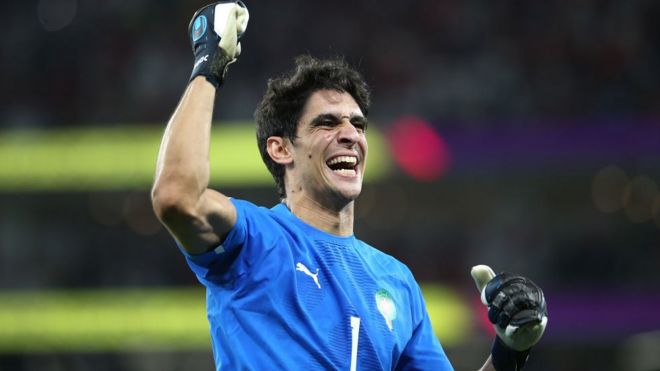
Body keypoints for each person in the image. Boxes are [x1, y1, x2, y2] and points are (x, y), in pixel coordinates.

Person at [151, 1, 548, 370]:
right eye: (327, 123)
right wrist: (208, 67)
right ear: (281, 148)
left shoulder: (396, 281)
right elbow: (176, 196)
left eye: (358, 124)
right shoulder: (255, 239)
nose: (351, 135)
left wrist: (510, 351)